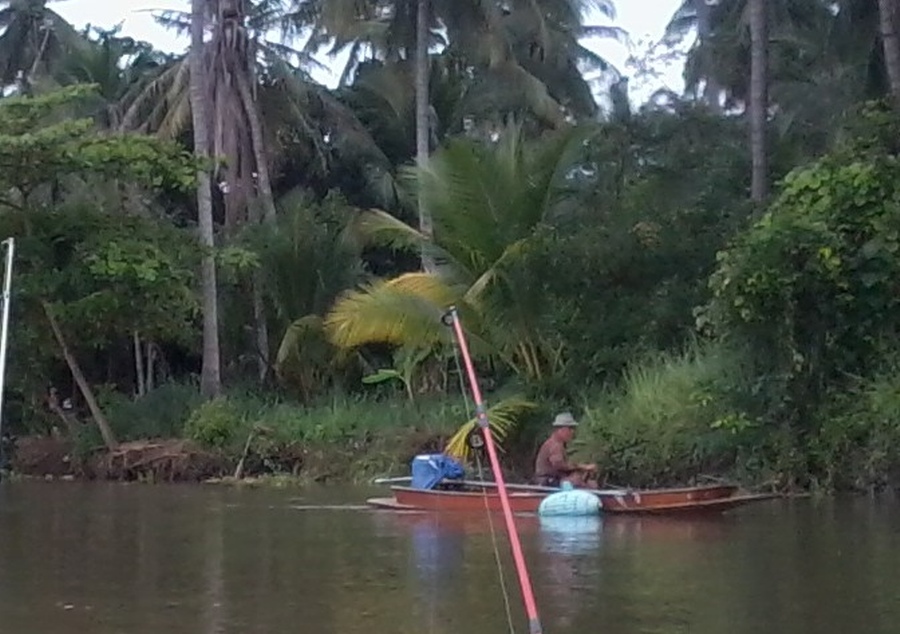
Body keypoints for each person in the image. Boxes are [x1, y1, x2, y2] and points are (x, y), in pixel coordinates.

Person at [533, 412, 598, 489]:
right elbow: (559, 465)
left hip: (554, 479)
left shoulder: (558, 444)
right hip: (548, 481)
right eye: (570, 428)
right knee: (578, 482)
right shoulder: (554, 445)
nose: (572, 432)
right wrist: (583, 467)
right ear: (560, 429)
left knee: (590, 483)